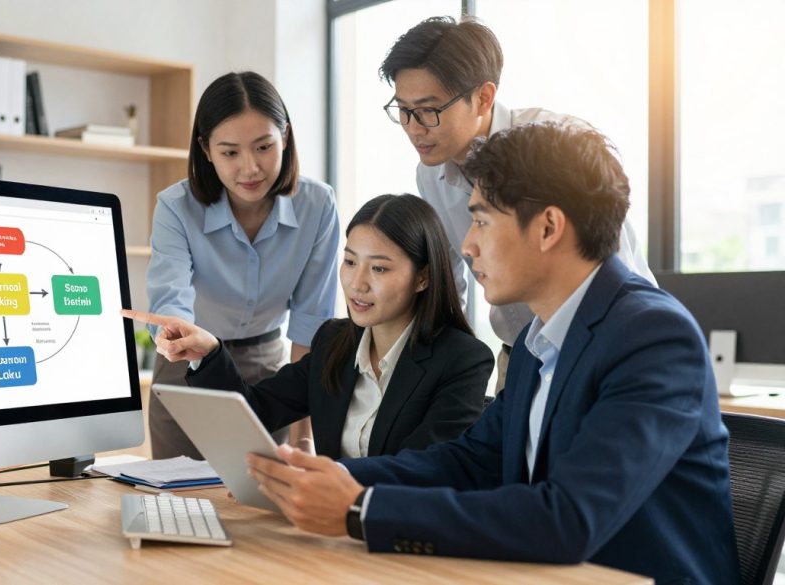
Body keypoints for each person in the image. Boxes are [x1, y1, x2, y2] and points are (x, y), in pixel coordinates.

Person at [243, 124, 739, 585]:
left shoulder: (651, 337)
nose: (466, 244)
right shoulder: (535, 342)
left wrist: (362, 511)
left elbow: (568, 518)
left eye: (480, 220)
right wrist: (329, 479)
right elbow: (471, 460)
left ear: (547, 228)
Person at [380, 16, 656, 389]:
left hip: (604, 343)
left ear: (484, 97)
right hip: (520, 351)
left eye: (428, 110)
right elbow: (451, 286)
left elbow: (609, 261)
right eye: (403, 110)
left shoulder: (557, 147)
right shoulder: (430, 173)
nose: (413, 127)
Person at [124, 194, 494, 458]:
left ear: (423, 278)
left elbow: (423, 468)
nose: (357, 283)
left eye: (379, 268)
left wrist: (317, 480)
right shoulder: (335, 343)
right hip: (326, 536)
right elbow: (255, 409)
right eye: (350, 262)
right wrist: (209, 353)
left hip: (397, 541)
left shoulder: (462, 360)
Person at [145, 71, 340, 459]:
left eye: (264, 146)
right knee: (179, 507)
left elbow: (310, 327)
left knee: (261, 506)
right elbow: (171, 297)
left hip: (270, 375)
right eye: (230, 152)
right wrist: (175, 337)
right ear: (205, 149)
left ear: (285, 135)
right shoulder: (176, 207)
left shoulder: (318, 205)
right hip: (187, 368)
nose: (250, 168)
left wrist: (303, 438)